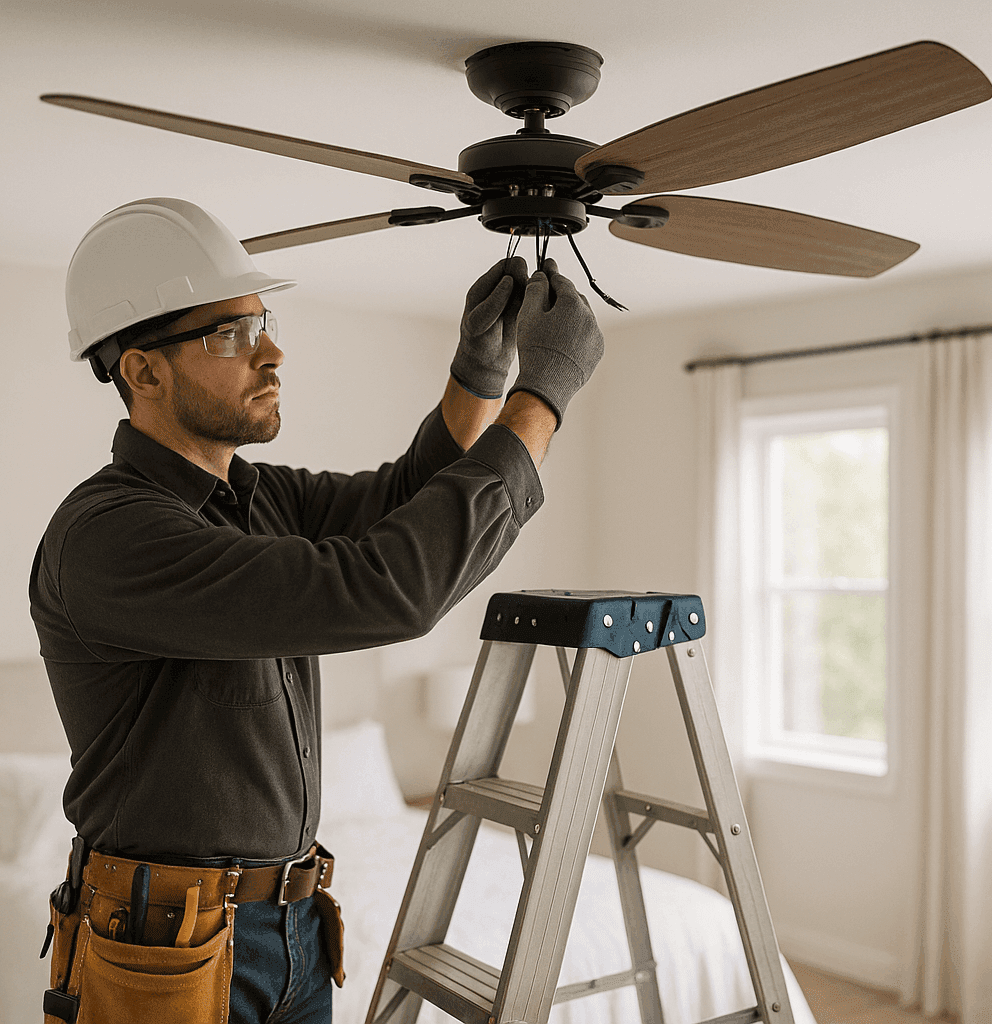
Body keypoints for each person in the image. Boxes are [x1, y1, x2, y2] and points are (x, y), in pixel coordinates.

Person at [29, 197, 603, 1024]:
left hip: (294, 924)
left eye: (262, 321)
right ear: (143, 371)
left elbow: (404, 498)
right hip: (166, 943)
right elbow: (383, 586)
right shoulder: (110, 537)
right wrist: (542, 397)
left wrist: (481, 372)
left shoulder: (257, 497)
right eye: (230, 334)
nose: (272, 351)